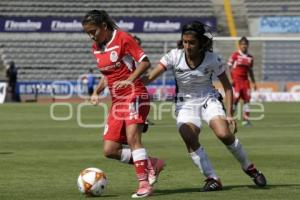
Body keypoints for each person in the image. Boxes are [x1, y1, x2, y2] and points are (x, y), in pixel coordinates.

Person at [142, 21, 266, 191]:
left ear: (201, 43)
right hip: (185, 103)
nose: (187, 46)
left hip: (208, 98)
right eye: (185, 42)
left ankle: (249, 167)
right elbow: (149, 78)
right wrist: (130, 81)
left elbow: (228, 87)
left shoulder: (212, 59)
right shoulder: (173, 56)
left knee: (223, 134)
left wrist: (229, 115)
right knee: (188, 135)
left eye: (192, 42)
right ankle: (212, 178)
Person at [81, 10, 165, 198]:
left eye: (93, 31)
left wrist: (130, 80)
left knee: (134, 139)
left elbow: (144, 63)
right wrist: (97, 91)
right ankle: (152, 164)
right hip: (117, 101)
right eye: (87, 32)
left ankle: (144, 185)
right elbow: (107, 73)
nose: (90, 36)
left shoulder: (123, 38)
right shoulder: (96, 47)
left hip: (135, 94)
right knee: (110, 150)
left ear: (104, 26)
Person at [227, 37, 257, 127]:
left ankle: (246, 120)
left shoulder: (250, 57)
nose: (244, 46)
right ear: (239, 45)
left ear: (248, 45)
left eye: (245, 44)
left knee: (247, 100)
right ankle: (229, 118)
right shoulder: (235, 55)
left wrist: (254, 82)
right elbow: (229, 67)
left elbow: (250, 71)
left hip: (245, 81)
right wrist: (230, 79)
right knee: (235, 100)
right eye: (242, 44)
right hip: (236, 81)